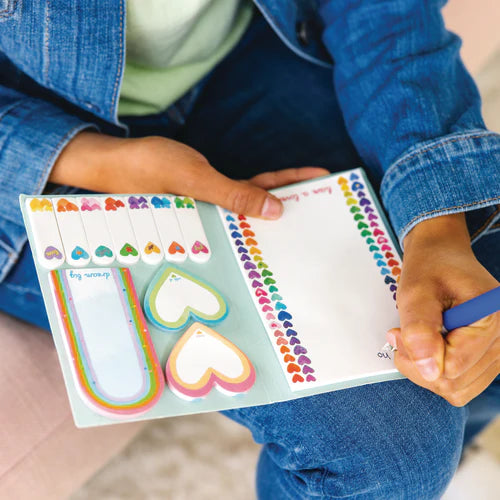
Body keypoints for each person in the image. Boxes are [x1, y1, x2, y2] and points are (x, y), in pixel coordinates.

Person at [0, 1, 498, 498]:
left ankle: (454, 459)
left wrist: (437, 224)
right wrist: (96, 162)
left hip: (257, 50)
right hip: (35, 145)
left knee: (483, 293)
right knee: (388, 457)